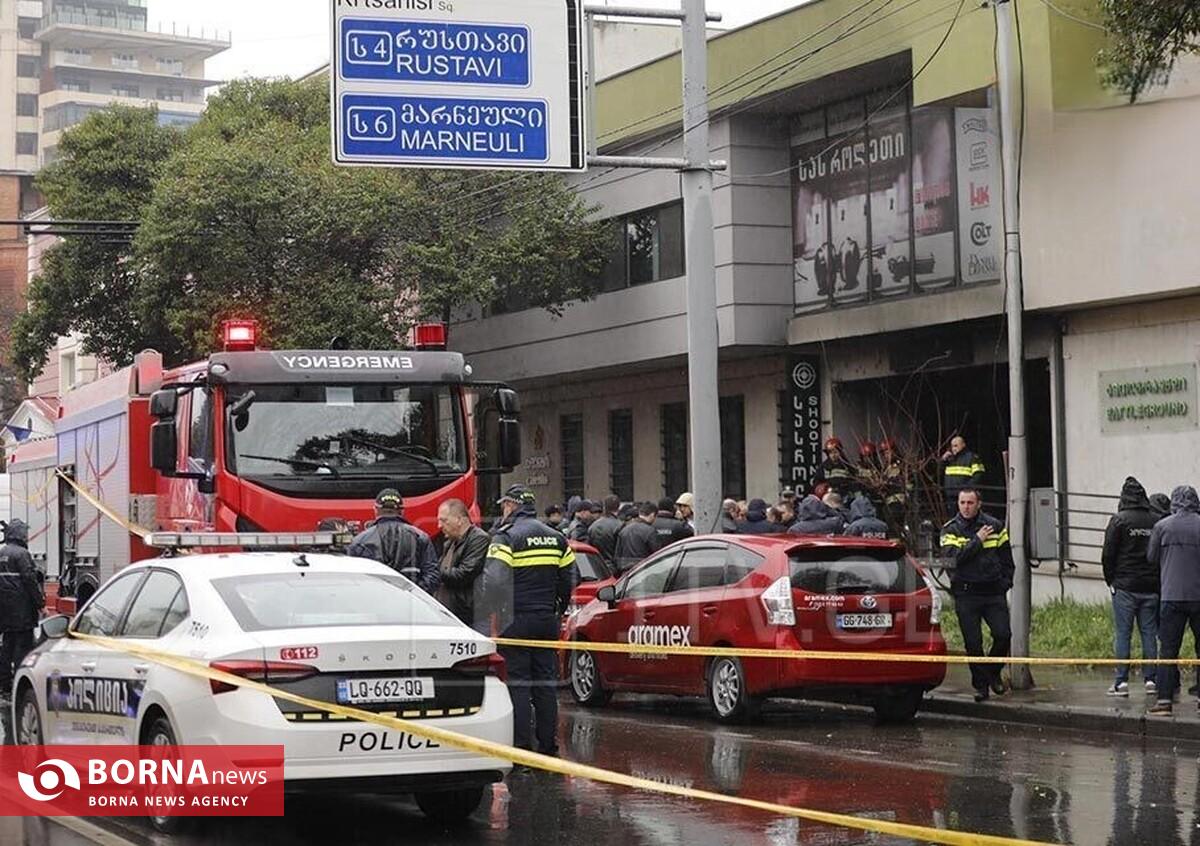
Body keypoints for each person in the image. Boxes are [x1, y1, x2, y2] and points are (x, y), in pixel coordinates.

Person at [480, 485, 577, 755]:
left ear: (512, 505)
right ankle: (548, 745)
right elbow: (569, 577)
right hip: (547, 618)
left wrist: (496, 608)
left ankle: (522, 746)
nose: (502, 510)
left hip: (516, 618)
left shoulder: (505, 537)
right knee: (545, 682)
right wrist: (557, 605)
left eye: (504, 506)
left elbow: (495, 579)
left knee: (519, 682)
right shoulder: (556, 537)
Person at [940, 488, 1013, 702]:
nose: (966, 507)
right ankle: (981, 686)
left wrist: (1005, 583)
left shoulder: (995, 526)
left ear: (978, 504)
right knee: (973, 644)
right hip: (966, 594)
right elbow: (952, 560)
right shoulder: (950, 530)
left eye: (970, 503)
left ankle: (992, 672)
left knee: (1003, 635)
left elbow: (1007, 558)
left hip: (992, 592)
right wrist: (977, 541)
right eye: (962, 503)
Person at [1100, 477, 1160, 697]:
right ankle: (1151, 680)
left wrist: (1111, 580)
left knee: (1123, 633)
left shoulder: (1118, 521)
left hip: (1124, 586)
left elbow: (1108, 554)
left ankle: (1121, 682)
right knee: (1149, 634)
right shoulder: (1155, 520)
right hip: (1150, 586)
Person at [1146, 485, 1200, 717]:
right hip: (1199, 596)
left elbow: (1151, 557)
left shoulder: (1161, 526)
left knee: (1168, 650)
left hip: (1171, 595)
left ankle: (1165, 701)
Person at [348, 489, 440, 595]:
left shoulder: (359, 541)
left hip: (373, 604)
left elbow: (353, 580)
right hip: (410, 606)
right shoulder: (420, 537)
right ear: (402, 511)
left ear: (376, 510)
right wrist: (413, 594)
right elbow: (432, 576)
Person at [0, 519, 44, 701]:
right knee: (22, 649)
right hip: (22, 612)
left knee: (6, 647)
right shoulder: (22, 554)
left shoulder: (2, 553)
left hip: (4, 613)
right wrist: (40, 603)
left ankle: (5, 686)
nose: (26, 536)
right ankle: (19, 684)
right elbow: (30, 580)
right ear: (19, 534)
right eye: (24, 533)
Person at [435, 499, 491, 630]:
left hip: (470, 617)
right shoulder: (449, 543)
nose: (439, 525)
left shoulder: (479, 539)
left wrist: (434, 570)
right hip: (451, 615)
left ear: (459, 520)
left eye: (444, 520)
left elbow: (464, 574)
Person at [941, 436, 986, 512]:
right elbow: (939, 473)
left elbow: (978, 475)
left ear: (963, 445)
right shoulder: (950, 459)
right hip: (951, 496)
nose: (953, 448)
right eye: (952, 446)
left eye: (956, 445)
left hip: (965, 497)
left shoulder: (972, 457)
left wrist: (966, 488)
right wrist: (943, 460)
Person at [879, 439, 912, 538]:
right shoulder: (885, 468)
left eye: (888, 452)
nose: (886, 455)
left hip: (899, 500)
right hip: (888, 501)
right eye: (884, 453)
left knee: (896, 528)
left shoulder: (902, 465)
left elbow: (906, 484)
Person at [615, 502, 659, 573]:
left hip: (626, 572)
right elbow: (657, 554)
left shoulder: (624, 530)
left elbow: (617, 555)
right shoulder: (650, 531)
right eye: (655, 517)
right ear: (652, 515)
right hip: (644, 571)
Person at [587, 495, 623, 566]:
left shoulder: (593, 526)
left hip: (596, 566)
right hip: (613, 567)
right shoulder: (620, 526)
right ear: (618, 507)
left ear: (604, 507)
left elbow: (589, 547)